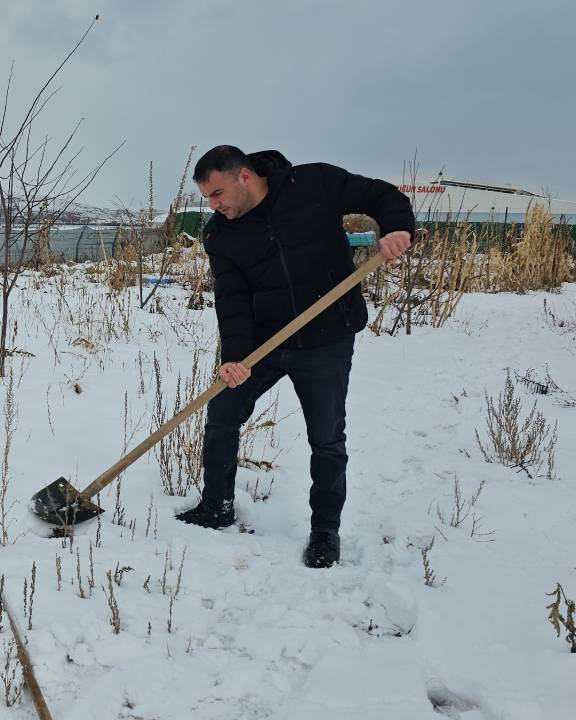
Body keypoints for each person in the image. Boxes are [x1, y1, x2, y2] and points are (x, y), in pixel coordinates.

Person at [174, 145, 416, 568]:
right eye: (208, 198)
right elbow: (231, 299)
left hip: (326, 339)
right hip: (266, 343)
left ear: (244, 176)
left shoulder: (313, 184)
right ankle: (216, 505)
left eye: (217, 194)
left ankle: (325, 530)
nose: (214, 206)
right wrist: (234, 356)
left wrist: (396, 228)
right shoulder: (220, 234)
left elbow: (384, 196)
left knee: (326, 437)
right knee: (223, 412)